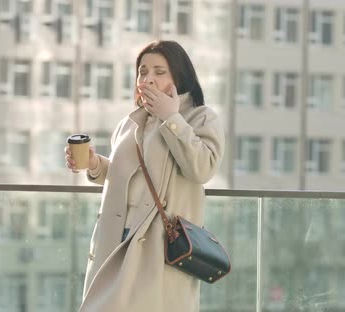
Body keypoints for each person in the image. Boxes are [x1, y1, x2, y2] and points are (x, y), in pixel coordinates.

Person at [64, 40, 225, 312]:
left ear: (179, 76)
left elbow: (202, 168)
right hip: (116, 240)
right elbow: (127, 175)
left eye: (160, 72)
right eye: (143, 71)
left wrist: (171, 117)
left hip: (158, 247)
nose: (148, 78)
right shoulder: (131, 123)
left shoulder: (201, 118)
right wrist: (94, 164)